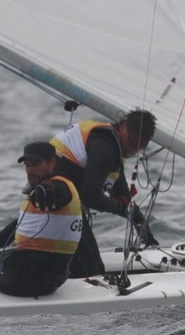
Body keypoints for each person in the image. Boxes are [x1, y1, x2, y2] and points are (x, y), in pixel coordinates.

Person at [0, 142, 82, 297]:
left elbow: (59, 193)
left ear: (52, 163)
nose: (30, 171)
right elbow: (17, 226)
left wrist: (47, 191)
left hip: (31, 279)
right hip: (46, 276)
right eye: (27, 165)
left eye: (36, 164)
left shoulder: (58, 186)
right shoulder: (44, 190)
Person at [50, 108, 157, 279]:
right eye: (132, 141)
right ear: (123, 127)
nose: (133, 149)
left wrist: (147, 235)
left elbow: (122, 196)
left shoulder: (111, 143)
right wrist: (120, 209)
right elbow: (89, 196)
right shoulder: (105, 147)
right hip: (56, 206)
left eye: (140, 147)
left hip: (62, 206)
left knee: (92, 267)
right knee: (92, 271)